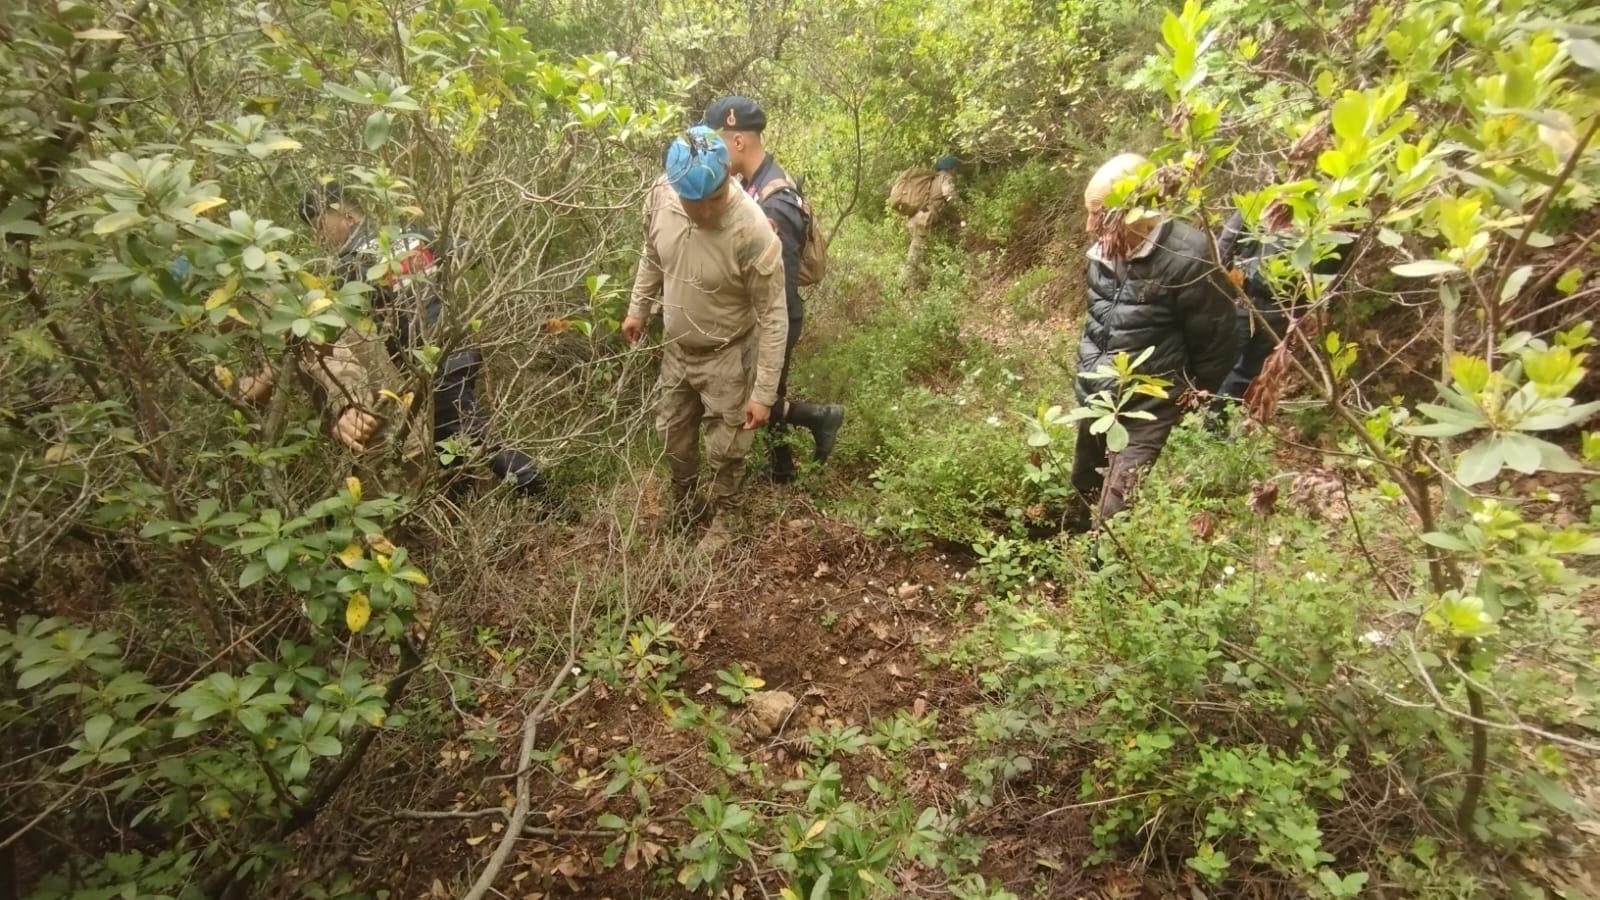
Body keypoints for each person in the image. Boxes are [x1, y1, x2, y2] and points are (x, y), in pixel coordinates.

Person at [279, 183, 544, 496]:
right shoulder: (412, 235)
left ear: (347, 216)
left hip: (429, 361)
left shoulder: (350, 264)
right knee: (448, 438)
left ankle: (549, 500)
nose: (319, 238)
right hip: (458, 350)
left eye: (320, 226)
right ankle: (462, 498)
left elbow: (329, 327)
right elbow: (468, 251)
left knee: (473, 436)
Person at [622, 127, 789, 552]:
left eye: (716, 196)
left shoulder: (752, 231)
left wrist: (764, 393)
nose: (707, 210)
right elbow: (652, 253)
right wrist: (638, 308)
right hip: (677, 350)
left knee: (726, 446)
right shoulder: (661, 195)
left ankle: (727, 516)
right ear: (678, 191)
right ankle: (684, 504)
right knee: (672, 435)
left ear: (727, 176)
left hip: (728, 354)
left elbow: (774, 316)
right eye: (695, 202)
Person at [1066, 152, 1239, 531]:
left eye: (1100, 214)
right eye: (1088, 213)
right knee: (1083, 484)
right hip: (1098, 395)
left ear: (1138, 211)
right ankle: (1068, 546)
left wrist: (1185, 396)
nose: (1089, 226)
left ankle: (1101, 563)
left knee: (1114, 509)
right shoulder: (1102, 251)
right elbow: (1100, 321)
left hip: (1148, 406)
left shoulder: (1190, 258)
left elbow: (1219, 340)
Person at [703, 95, 844, 483]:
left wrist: (764, 334)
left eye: (715, 143)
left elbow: (778, 287)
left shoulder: (773, 202)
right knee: (767, 390)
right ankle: (782, 466)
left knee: (761, 394)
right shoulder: (755, 183)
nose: (711, 154)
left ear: (737, 141)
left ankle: (819, 418)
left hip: (775, 317)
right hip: (769, 315)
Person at [897, 154, 959, 283]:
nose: (956, 171)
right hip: (923, 219)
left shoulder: (933, 179)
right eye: (955, 168)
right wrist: (963, 208)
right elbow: (950, 196)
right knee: (915, 253)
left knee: (921, 250)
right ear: (950, 168)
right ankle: (903, 282)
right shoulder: (945, 178)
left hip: (916, 218)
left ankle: (921, 279)